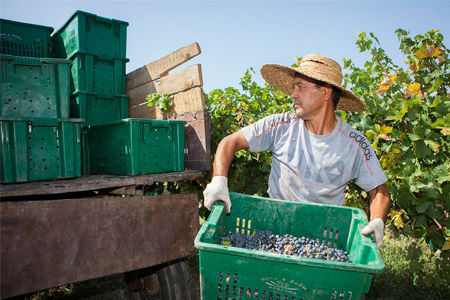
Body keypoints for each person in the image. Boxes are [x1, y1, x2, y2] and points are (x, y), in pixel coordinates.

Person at [203, 54, 391, 247]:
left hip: (323, 240)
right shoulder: (280, 125)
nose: (293, 94)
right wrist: (218, 180)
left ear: (325, 93)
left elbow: (379, 191)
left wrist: (377, 220)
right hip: (274, 232)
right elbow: (229, 142)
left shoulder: (354, 143)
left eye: (300, 86)